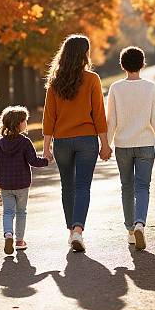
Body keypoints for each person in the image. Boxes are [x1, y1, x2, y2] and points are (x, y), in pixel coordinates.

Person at [42, 34, 111, 253]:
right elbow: (98, 114)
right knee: (82, 186)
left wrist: (46, 147)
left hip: (62, 141)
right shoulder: (92, 79)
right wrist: (105, 144)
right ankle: (78, 230)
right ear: (84, 54)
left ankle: (71, 231)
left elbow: (48, 116)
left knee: (67, 186)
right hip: (86, 141)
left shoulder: (55, 82)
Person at [107, 46, 155, 250]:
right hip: (145, 144)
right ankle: (139, 224)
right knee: (143, 187)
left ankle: (130, 230)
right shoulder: (150, 87)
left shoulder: (116, 88)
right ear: (143, 64)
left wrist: (105, 145)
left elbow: (112, 121)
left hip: (123, 145)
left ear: (122, 65)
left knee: (126, 187)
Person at [0, 106, 49, 255]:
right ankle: (19, 241)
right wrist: (47, 161)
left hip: (6, 184)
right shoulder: (25, 142)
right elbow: (33, 161)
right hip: (22, 184)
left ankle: (8, 234)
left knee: (8, 212)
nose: (26, 123)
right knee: (21, 212)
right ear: (18, 123)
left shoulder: (0, 143)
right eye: (25, 121)